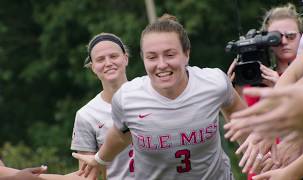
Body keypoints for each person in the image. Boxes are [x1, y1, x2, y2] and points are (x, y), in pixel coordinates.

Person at [72, 14, 250, 180]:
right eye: (152, 57)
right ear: (143, 59)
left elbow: (237, 113)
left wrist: (255, 152)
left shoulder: (214, 82)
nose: (162, 65)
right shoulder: (127, 98)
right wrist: (100, 159)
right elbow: (120, 135)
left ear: (186, 54)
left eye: (170, 54)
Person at [227, 3, 303, 178]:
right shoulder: (254, 81)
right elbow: (245, 135)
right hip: (264, 169)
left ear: (302, 36)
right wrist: (231, 93)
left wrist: (281, 88)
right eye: (276, 37)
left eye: (291, 36)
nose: (284, 42)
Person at [70, 32, 134, 180]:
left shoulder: (149, 94)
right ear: (93, 67)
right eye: (100, 59)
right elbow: (86, 176)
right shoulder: (86, 115)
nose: (108, 63)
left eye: (113, 56)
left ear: (125, 59)